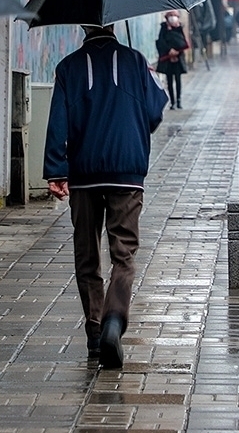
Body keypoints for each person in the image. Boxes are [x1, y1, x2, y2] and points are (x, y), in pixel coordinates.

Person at [43, 24, 167, 369]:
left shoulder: (68, 67)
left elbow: (57, 122)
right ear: (113, 24)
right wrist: (134, 130)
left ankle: (95, 333)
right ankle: (115, 319)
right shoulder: (135, 61)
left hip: (83, 173)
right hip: (127, 171)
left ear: (83, 26)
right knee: (123, 253)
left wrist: (56, 170)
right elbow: (156, 110)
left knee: (86, 253)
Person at [155, 11, 190, 108]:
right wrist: (169, 50)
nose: (173, 18)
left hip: (178, 58)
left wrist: (176, 52)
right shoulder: (163, 28)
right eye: (170, 16)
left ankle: (179, 100)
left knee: (178, 79)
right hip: (168, 58)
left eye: (175, 16)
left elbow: (182, 42)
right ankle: (172, 102)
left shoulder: (179, 28)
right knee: (169, 80)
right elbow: (161, 42)